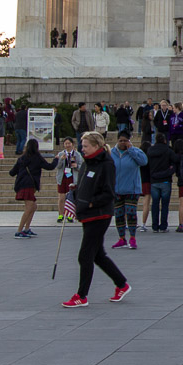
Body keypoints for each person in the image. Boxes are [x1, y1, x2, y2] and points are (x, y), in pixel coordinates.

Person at [61, 131, 131, 308]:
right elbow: (86, 184)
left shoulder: (107, 164)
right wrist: (76, 190)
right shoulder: (86, 164)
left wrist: (90, 203)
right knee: (98, 254)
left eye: (85, 146)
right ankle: (122, 284)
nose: (82, 149)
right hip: (86, 214)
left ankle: (81, 296)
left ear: (96, 146)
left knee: (85, 255)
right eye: (82, 145)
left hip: (99, 214)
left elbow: (109, 193)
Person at [110, 131, 147, 248]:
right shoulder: (111, 153)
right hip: (116, 189)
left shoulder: (135, 151)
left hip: (132, 189)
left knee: (131, 213)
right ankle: (121, 238)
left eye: (125, 140)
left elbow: (144, 161)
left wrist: (131, 150)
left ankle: (132, 238)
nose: (123, 143)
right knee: (119, 214)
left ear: (129, 141)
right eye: (120, 140)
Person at [9, 139, 51, 238]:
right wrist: (58, 159)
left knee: (33, 206)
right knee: (28, 208)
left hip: (21, 185)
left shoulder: (22, 158)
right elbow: (49, 167)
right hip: (29, 186)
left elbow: (11, 173)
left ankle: (27, 228)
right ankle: (19, 231)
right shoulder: (37, 158)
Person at [53, 138, 81, 223]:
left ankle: (70, 215)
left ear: (72, 144)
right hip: (63, 177)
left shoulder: (77, 154)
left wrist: (76, 166)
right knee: (61, 197)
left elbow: (82, 166)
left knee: (71, 197)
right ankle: (61, 215)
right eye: (66, 144)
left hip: (72, 177)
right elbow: (57, 166)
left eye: (69, 143)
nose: (67, 145)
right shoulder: (61, 153)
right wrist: (61, 159)